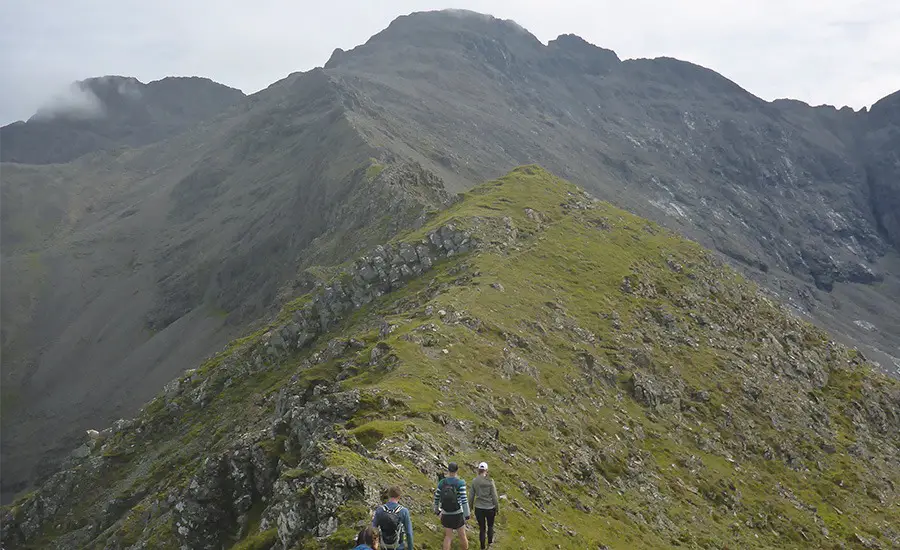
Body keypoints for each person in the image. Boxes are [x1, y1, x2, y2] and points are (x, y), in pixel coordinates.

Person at [433, 462, 471, 550]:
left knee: (448, 537)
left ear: (448, 470)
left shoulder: (442, 482)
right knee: (462, 535)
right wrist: (467, 514)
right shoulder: (460, 483)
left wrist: (436, 510)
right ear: (457, 470)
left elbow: (437, 497)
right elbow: (464, 500)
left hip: (446, 513)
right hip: (458, 513)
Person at [372, 485, 414, 550]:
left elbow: (373, 530)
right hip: (398, 547)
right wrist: (410, 548)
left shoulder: (379, 510)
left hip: (383, 546)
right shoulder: (403, 511)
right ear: (399, 497)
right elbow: (409, 533)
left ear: (388, 495)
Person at [469, 462, 499, 549]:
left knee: (482, 528)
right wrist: (497, 508)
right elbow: (494, 496)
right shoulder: (490, 481)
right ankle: (489, 543)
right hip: (490, 508)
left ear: (478, 470)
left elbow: (471, 496)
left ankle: (482, 547)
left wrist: (470, 507)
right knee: (490, 526)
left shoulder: (474, 481)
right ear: (486, 470)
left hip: (479, 508)